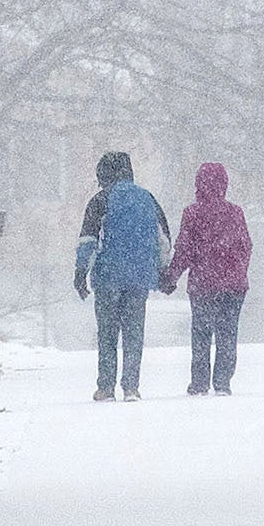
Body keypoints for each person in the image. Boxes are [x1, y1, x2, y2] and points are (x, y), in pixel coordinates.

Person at [74, 151, 169, 401]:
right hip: (139, 278)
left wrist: (80, 273)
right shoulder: (147, 199)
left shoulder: (100, 201)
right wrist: (163, 272)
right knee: (133, 334)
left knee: (107, 334)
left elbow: (88, 241)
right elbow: (162, 239)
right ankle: (131, 387)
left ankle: (106, 387)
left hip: (108, 277)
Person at [161, 161, 253, 396]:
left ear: (198, 184)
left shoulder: (193, 214)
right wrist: (238, 272)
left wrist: (171, 277)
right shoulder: (235, 213)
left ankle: (200, 382)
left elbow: (184, 251)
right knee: (228, 333)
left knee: (201, 333)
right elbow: (245, 246)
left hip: (204, 284)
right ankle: (222, 382)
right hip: (232, 286)